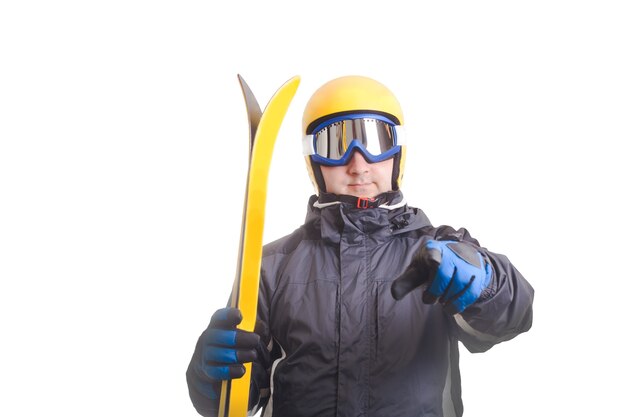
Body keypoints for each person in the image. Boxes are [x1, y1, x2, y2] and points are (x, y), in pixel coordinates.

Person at [186, 75, 534, 417]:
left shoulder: (440, 252)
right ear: (314, 162)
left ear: (398, 152)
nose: (358, 163)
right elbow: (242, 401)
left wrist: (484, 282)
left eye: (375, 140)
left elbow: (512, 317)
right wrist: (210, 379)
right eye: (336, 144)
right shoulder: (273, 267)